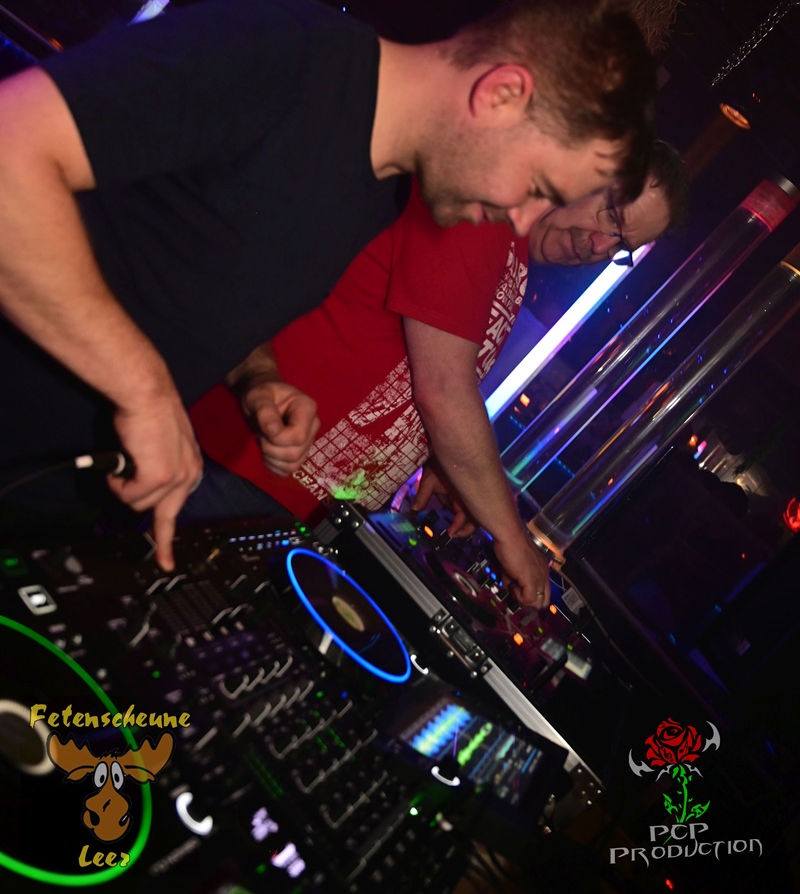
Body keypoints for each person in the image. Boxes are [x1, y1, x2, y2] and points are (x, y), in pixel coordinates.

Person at [0, 0, 656, 570]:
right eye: (537, 186)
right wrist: (143, 389)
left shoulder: (380, 193)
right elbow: (10, 152)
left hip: (49, 494)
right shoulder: (290, 52)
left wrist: (256, 378)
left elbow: (188, 266)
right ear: (501, 95)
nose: (523, 219)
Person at [190, 142, 686, 607]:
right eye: (612, 216)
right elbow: (444, 392)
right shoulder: (484, 211)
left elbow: (408, 370)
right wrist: (510, 535)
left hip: (296, 499)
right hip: (240, 463)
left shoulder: (511, 256)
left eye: (620, 245)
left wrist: (443, 459)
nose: (598, 245)